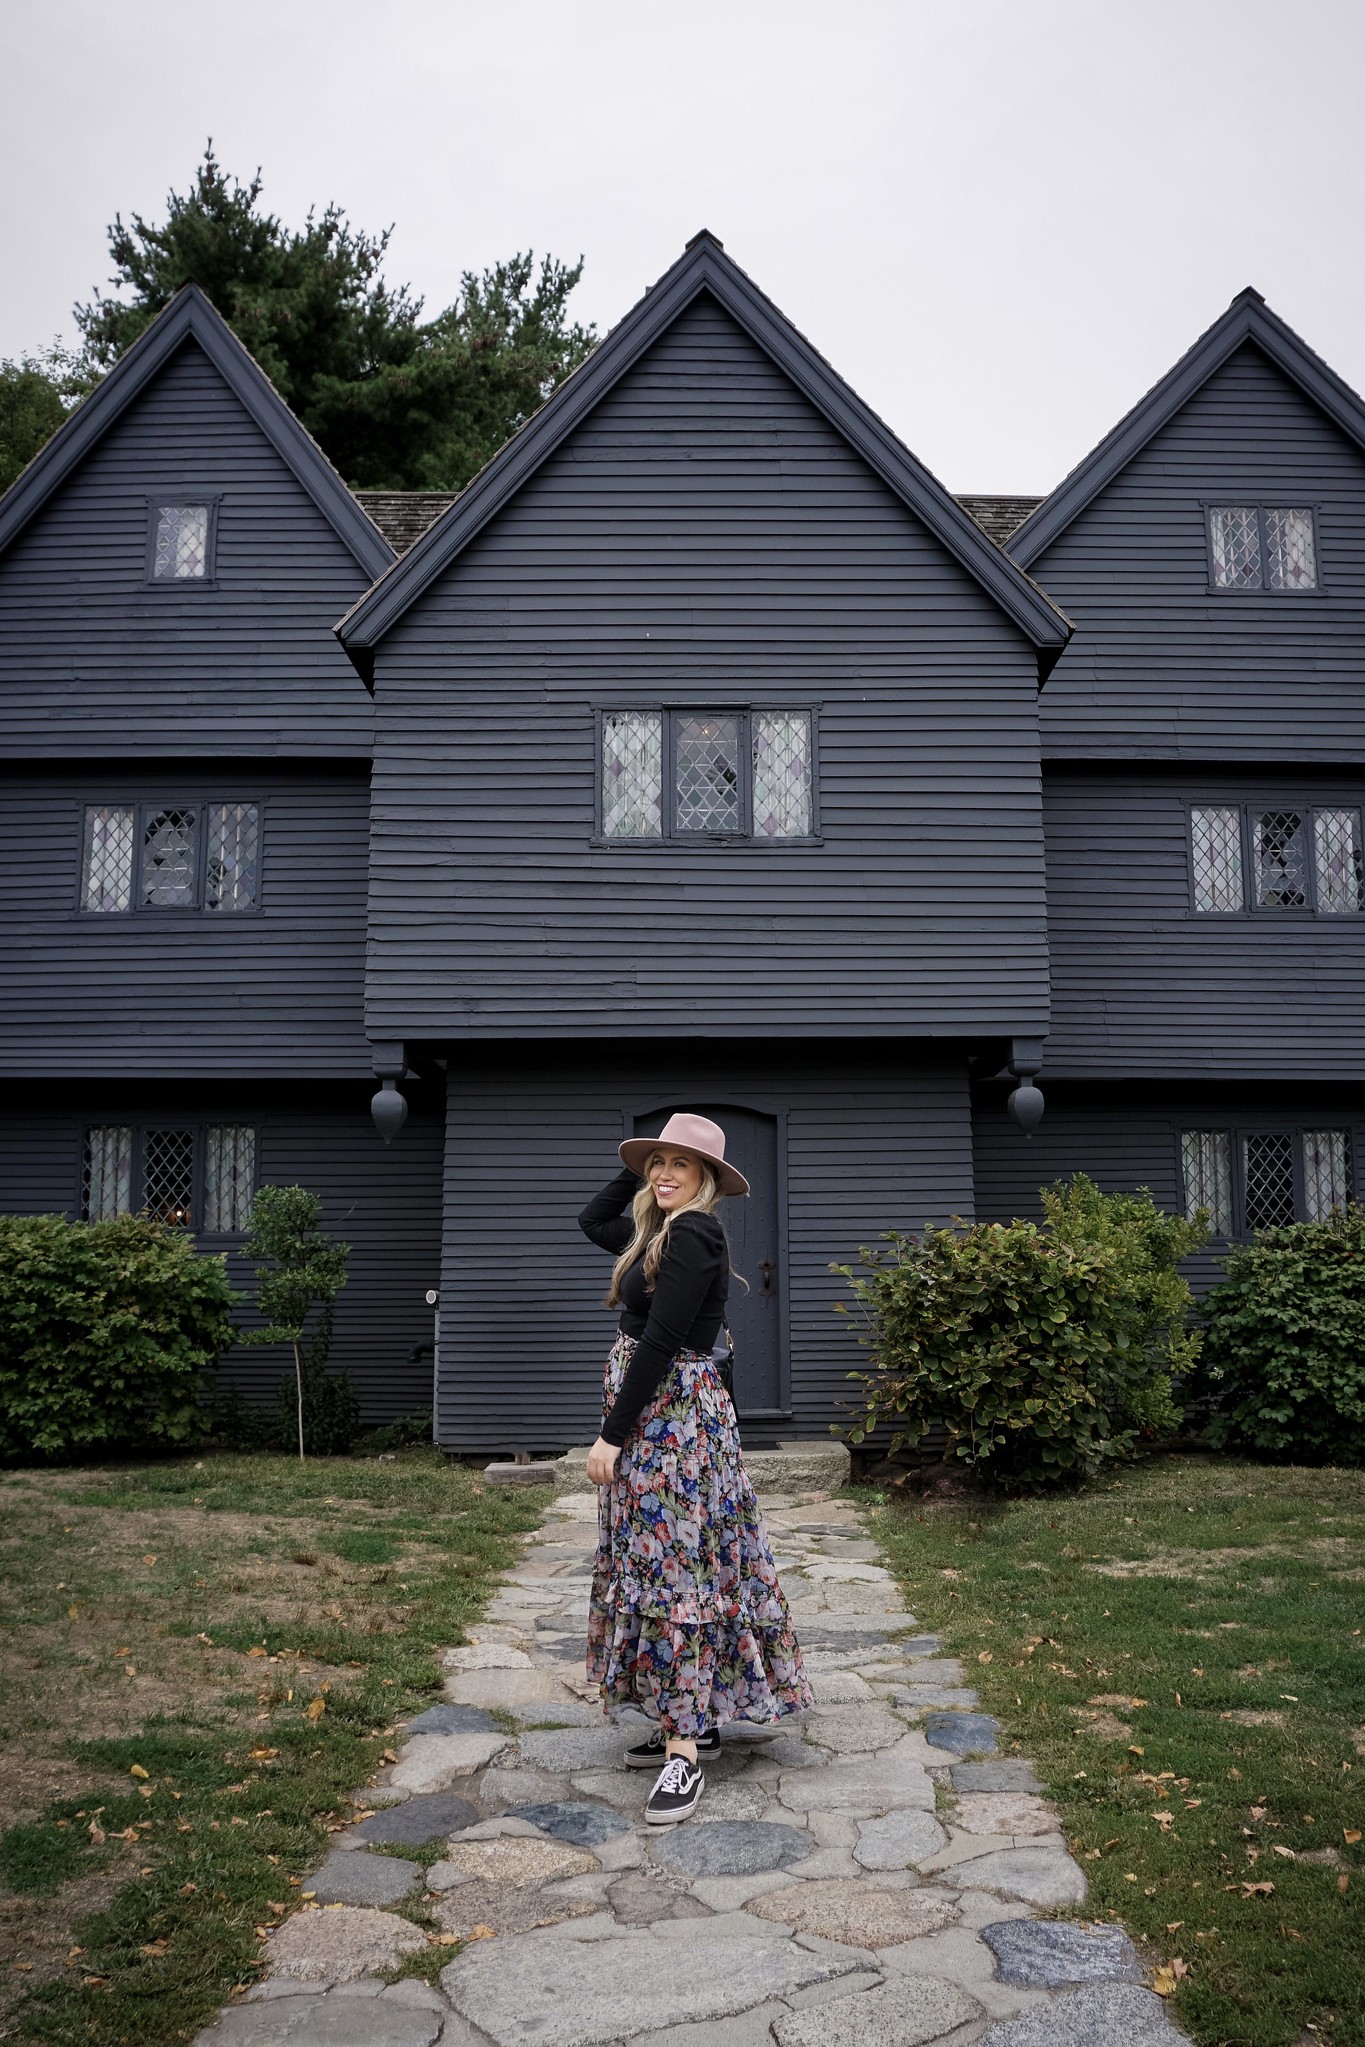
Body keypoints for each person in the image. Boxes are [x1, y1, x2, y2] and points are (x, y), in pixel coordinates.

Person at [578, 1111, 812, 1826]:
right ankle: (694, 1720)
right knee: (668, 1566)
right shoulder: (656, 1233)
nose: (664, 1173)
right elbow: (592, 1220)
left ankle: (683, 1753)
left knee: (676, 1570)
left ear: (707, 1178)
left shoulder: (697, 1233)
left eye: (682, 1163)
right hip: (658, 1417)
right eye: (659, 1162)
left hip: (670, 1422)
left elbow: (662, 1341)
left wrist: (611, 1437)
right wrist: (639, 1162)